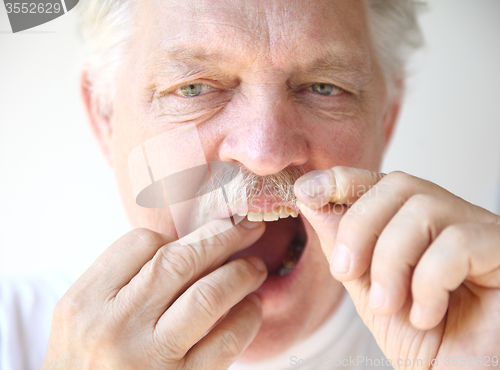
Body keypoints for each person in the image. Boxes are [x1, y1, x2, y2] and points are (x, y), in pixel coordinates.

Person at [23, 0, 500, 368]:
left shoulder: (471, 333)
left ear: (386, 120)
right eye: (193, 87)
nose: (266, 154)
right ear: (105, 119)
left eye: (323, 87)